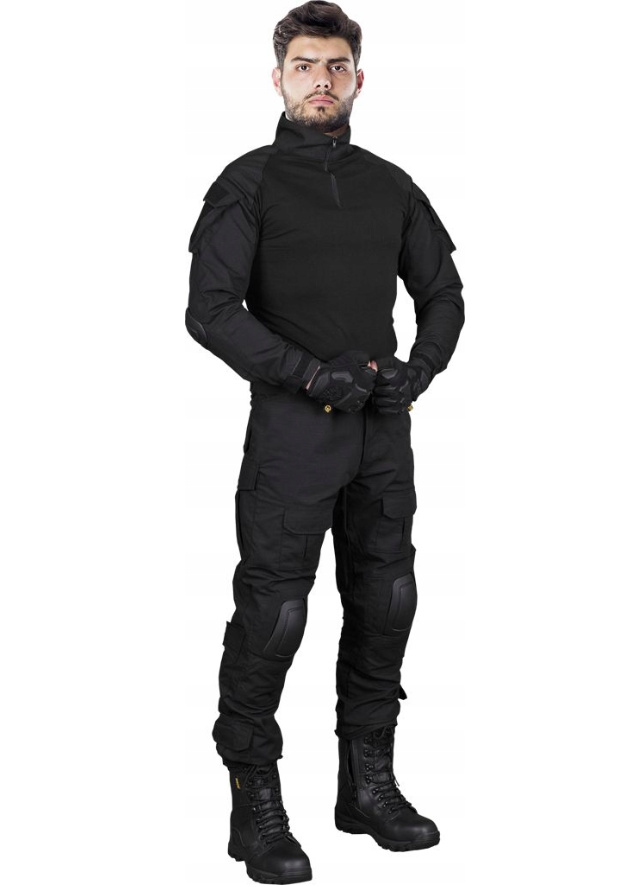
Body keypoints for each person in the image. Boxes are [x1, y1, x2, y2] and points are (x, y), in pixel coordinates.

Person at [185, 2, 464, 882]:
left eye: (335, 66)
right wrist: (307, 375)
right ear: (277, 78)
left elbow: (443, 292)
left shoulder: (391, 184)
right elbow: (210, 310)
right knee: (274, 613)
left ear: (358, 79)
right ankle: (254, 802)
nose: (321, 80)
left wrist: (418, 371)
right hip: (292, 435)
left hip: (382, 432)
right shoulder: (248, 183)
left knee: (387, 601)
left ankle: (366, 785)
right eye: (304, 66)